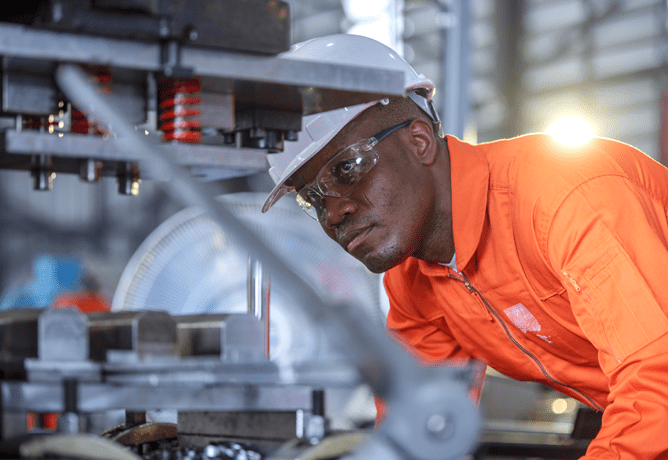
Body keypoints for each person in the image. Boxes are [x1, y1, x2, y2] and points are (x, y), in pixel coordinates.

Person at [262, 34, 668, 459]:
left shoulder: (563, 198)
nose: (334, 213)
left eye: (347, 168)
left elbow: (657, 381)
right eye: (313, 197)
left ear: (418, 141)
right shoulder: (414, 281)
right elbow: (414, 426)